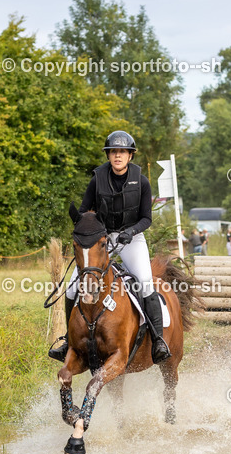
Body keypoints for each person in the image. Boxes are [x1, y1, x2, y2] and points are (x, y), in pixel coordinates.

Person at [48, 130, 171, 364]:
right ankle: (68, 341)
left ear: (130, 156)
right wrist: (89, 231)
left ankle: (158, 341)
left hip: (131, 240)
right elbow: (84, 210)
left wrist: (130, 232)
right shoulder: (97, 179)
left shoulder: (142, 181)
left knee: (145, 283)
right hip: (102, 241)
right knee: (73, 286)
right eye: (113, 152)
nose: (117, 156)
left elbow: (147, 218)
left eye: (122, 152)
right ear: (109, 156)